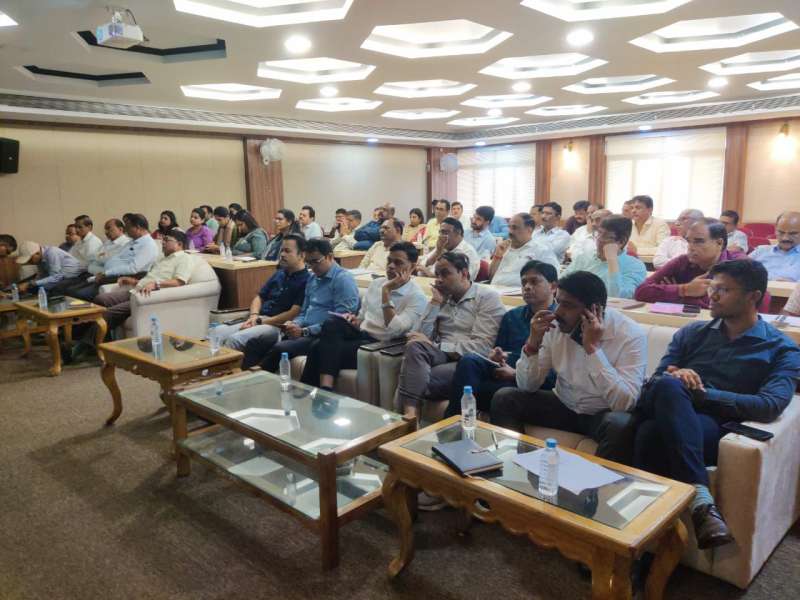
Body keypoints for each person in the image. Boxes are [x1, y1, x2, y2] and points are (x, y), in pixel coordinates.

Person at [633, 260, 800, 549]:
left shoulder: (781, 348)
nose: (712, 295)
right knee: (668, 386)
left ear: (753, 296)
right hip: (669, 406)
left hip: (715, 424)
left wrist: (702, 395)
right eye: (712, 287)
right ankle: (700, 502)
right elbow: (658, 379)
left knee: (651, 433)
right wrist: (678, 377)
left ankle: (638, 546)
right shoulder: (692, 333)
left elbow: (770, 404)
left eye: (723, 290)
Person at [491, 271, 647, 463]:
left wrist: (593, 350)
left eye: (568, 305)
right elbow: (527, 386)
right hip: (564, 404)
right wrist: (532, 344)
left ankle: (599, 482)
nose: (557, 312)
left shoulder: (630, 335)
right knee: (505, 398)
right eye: (558, 302)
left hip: (600, 413)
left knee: (620, 424)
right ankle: (514, 467)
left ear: (594, 310)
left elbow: (625, 404)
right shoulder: (555, 327)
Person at [300, 242, 428, 388]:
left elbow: (395, 330)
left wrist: (386, 293)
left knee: (317, 348)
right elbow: (362, 318)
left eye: (398, 263)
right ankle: (322, 390)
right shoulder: (376, 283)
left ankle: (317, 391)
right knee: (332, 322)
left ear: (412, 266)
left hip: (380, 344)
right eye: (389, 261)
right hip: (361, 335)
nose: (391, 266)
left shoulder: (417, 297)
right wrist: (354, 320)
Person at [396, 251, 506, 420]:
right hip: (441, 356)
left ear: (464, 273)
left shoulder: (486, 298)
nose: (439, 279)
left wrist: (437, 346)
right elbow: (418, 337)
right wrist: (435, 303)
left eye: (445, 273)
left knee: (410, 378)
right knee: (414, 347)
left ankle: (410, 416)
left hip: (467, 363)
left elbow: (482, 348)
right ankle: (411, 415)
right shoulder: (442, 298)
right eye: (437, 274)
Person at [445, 260, 558, 418]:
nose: (527, 287)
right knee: (469, 361)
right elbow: (499, 352)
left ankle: (459, 419)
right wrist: (497, 355)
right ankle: (454, 422)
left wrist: (515, 374)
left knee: (482, 390)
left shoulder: (561, 320)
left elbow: (558, 373)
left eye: (534, 282)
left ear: (553, 287)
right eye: (524, 282)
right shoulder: (512, 316)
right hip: (504, 372)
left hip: (534, 381)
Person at [243, 238, 360, 371]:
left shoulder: (343, 280)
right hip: (302, 331)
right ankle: (246, 379)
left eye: (315, 261)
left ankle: (257, 377)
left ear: (329, 257)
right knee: (255, 343)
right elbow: (304, 312)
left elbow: (340, 322)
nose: (312, 267)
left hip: (322, 336)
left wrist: (305, 331)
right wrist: (294, 324)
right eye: (309, 262)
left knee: (280, 349)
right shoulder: (313, 279)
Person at [214, 234, 310, 351]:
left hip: (277, 325)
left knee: (235, 339)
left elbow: (293, 313)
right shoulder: (279, 273)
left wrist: (260, 321)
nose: (282, 254)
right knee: (216, 332)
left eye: (287, 251)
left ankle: (224, 363)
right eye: (282, 250)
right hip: (258, 318)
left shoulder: (307, 280)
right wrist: (254, 316)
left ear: (302, 255)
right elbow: (259, 297)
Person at [635, 219, 752, 309]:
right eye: (688, 241)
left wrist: (673, 296)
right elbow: (641, 292)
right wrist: (684, 289)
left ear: (719, 243)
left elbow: (722, 307)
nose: (690, 247)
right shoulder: (682, 261)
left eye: (699, 241)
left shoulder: (739, 264)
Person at [94, 229, 195, 329]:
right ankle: (103, 336)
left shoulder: (184, 258)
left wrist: (156, 284)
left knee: (107, 314)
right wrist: (134, 281)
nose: (163, 243)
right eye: (163, 240)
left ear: (179, 244)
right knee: (100, 299)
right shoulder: (162, 258)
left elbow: (179, 281)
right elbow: (150, 278)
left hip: (148, 296)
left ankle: (92, 338)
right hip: (136, 290)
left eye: (167, 240)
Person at [563, 215, 647, 299]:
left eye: (606, 236)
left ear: (622, 241)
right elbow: (562, 283)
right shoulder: (584, 257)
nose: (599, 240)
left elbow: (617, 297)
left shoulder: (634, 265)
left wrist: (612, 260)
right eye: (599, 233)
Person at [490, 213, 559, 286]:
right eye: (509, 227)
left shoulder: (541, 250)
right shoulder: (504, 248)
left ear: (529, 229)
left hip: (520, 292)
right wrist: (497, 256)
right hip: (494, 289)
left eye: (515, 228)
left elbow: (552, 279)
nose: (510, 232)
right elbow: (491, 277)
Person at [749, 212, 800, 281]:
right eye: (781, 232)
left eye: (793, 233)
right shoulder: (760, 251)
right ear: (775, 230)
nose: (785, 238)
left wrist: (793, 284)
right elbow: (739, 272)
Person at [14, 241, 83, 293]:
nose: (29, 262)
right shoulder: (40, 259)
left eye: (30, 260)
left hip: (76, 278)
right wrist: (29, 284)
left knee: (43, 288)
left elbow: (56, 277)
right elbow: (42, 276)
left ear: (37, 253)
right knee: (33, 287)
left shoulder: (51, 253)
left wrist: (30, 284)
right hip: (62, 278)